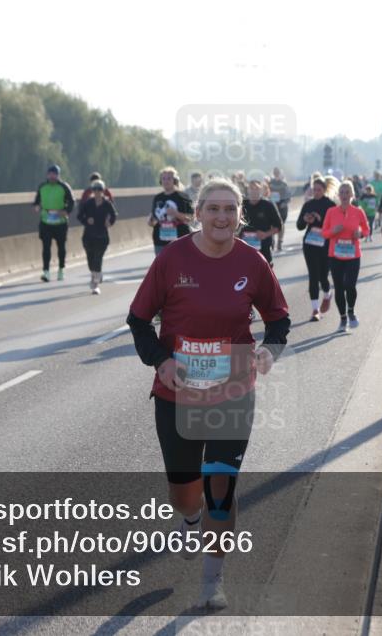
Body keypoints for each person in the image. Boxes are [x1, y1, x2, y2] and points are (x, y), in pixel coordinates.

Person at [126, 178, 290, 610]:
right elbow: (139, 320)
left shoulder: (253, 262)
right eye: (213, 209)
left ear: (240, 216)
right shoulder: (172, 259)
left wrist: (270, 351)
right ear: (197, 213)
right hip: (176, 391)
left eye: (229, 210)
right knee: (185, 490)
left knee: (222, 486)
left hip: (233, 389)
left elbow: (278, 319)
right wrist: (161, 360)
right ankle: (189, 516)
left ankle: (212, 579)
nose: (221, 217)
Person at [322, 181, 370, 333]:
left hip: (353, 254)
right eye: (341, 192)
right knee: (339, 288)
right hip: (335, 255)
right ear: (338, 195)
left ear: (352, 195)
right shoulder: (331, 212)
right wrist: (333, 231)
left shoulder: (358, 212)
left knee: (350, 285)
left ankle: (351, 311)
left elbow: (367, 230)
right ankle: (343, 318)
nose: (344, 195)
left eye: (347, 192)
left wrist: (360, 234)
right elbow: (324, 233)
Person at [296, 176, 337, 321]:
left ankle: (327, 294)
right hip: (310, 244)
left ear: (325, 190)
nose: (316, 192)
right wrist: (305, 220)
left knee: (322, 276)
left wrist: (321, 220)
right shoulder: (308, 205)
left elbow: (335, 227)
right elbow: (299, 226)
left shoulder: (331, 205)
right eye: (314, 190)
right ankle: (315, 309)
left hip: (325, 244)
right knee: (313, 275)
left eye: (319, 190)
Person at [33, 164, 75, 282]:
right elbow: (37, 201)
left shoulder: (64, 187)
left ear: (58, 175)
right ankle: (46, 272)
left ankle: (61, 270)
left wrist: (66, 211)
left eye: (55, 174)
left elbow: (72, 201)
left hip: (60, 222)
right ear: (47, 175)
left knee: (61, 247)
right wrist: (36, 206)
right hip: (46, 221)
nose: (52, 176)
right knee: (46, 247)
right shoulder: (42, 186)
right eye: (50, 174)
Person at [77, 180, 117, 294]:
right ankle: (96, 274)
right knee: (90, 260)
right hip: (88, 236)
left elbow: (114, 215)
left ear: (103, 191)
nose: (97, 192)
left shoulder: (107, 203)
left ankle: (95, 284)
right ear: (92, 191)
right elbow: (79, 216)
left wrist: (110, 222)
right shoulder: (88, 203)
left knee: (97, 258)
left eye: (99, 189)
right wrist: (86, 220)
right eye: (94, 189)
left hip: (102, 236)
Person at [148, 166, 194, 256]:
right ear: (161, 181)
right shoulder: (157, 198)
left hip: (180, 239)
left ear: (175, 180)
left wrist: (176, 214)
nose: (166, 181)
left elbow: (191, 218)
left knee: (180, 267)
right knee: (162, 268)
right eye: (163, 178)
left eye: (169, 178)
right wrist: (151, 221)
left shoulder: (183, 197)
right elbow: (154, 218)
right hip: (160, 240)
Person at [240, 179, 282, 265]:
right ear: (248, 190)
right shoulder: (242, 205)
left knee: (264, 275)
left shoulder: (267, 205)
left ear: (261, 190)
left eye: (257, 189)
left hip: (264, 247)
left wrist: (265, 234)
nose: (254, 191)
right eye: (251, 188)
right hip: (245, 248)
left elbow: (278, 226)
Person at [268, 168, 291, 251]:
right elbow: (266, 193)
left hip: (282, 206)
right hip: (272, 206)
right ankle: (272, 240)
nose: (276, 174)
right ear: (273, 173)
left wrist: (284, 203)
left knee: (281, 224)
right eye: (275, 172)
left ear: (280, 173)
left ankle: (280, 242)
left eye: (277, 172)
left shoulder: (284, 184)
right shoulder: (270, 183)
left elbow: (288, 196)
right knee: (271, 224)